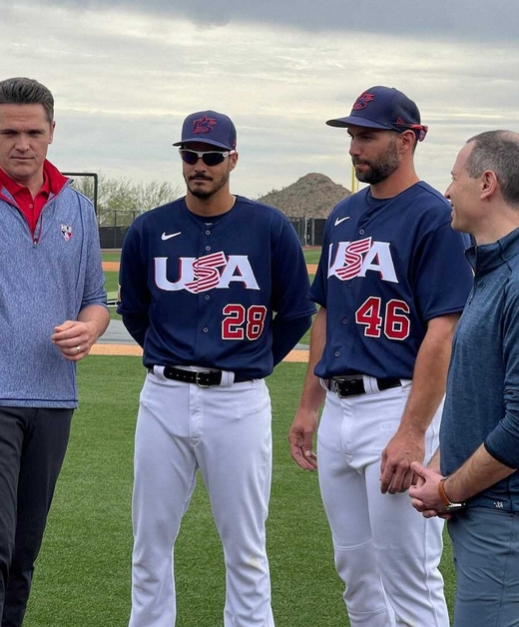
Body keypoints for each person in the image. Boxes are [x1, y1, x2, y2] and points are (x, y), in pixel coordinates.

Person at [117, 109, 315, 627]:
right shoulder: (149, 227)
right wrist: (168, 351)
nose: (198, 165)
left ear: (233, 158)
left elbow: (296, 311)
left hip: (239, 401)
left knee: (247, 549)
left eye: (210, 155)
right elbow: (136, 311)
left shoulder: (268, 226)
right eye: (189, 155)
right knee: (149, 544)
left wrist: (251, 362)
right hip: (163, 396)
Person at [288, 86, 474, 626]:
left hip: (398, 406)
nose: (354, 147)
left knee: (410, 577)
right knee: (356, 575)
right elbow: (327, 314)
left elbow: (444, 331)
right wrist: (308, 406)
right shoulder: (344, 215)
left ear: (409, 139)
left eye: (367, 135)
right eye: (352, 135)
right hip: (340, 411)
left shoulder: (435, 217)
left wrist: (413, 430)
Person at [0, 77, 109, 627]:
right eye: (8, 132)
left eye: (32, 131)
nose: (21, 143)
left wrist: (90, 330)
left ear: (51, 133)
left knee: (23, 553)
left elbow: (96, 301)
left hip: (53, 399)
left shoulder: (80, 210)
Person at [410, 130, 519, 627]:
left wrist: (450, 489)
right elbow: (479, 393)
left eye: (455, 178)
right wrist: (440, 465)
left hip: (503, 518)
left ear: (487, 183)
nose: (448, 191)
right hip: (487, 513)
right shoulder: (491, 268)